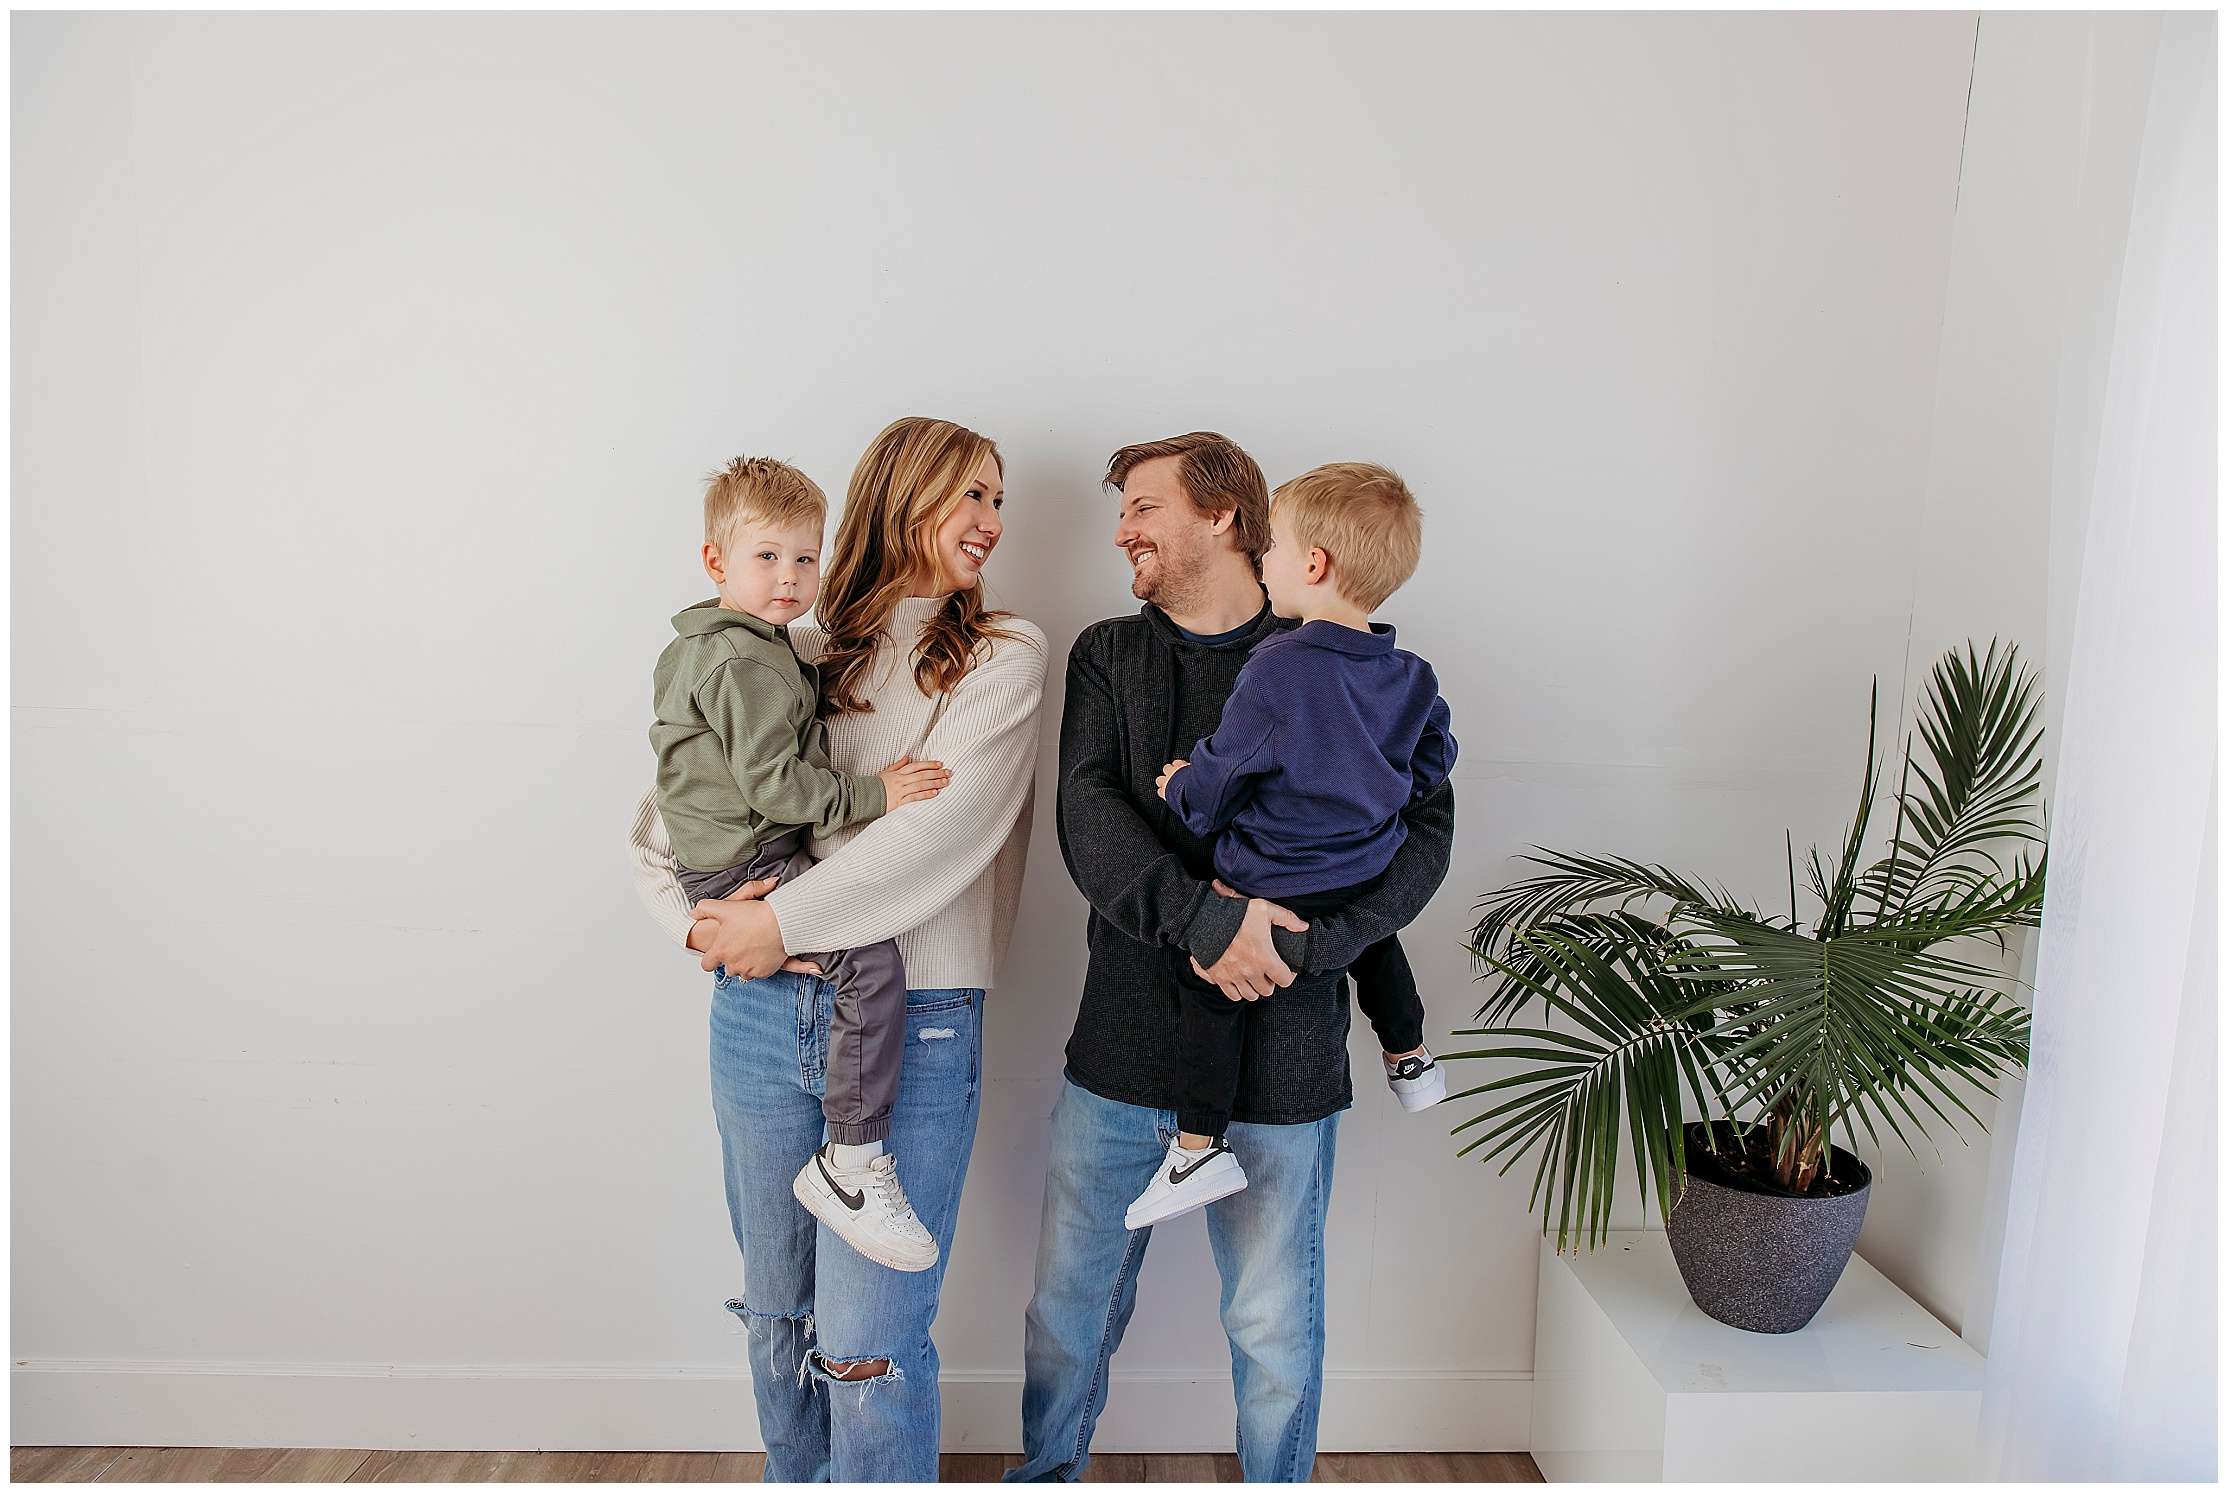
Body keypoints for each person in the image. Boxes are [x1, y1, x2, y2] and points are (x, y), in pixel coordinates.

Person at [1009, 433, 1454, 1483]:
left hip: (1285, 1068)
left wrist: (1307, 944)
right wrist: (1212, 925)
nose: (1120, 529)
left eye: (1140, 506)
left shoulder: (1353, 666)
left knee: (1274, 1339)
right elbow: (1089, 817)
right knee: (1066, 1321)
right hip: (1117, 1054)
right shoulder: (1108, 653)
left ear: (1221, 517)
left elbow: (1423, 831)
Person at [629, 417, 1046, 1482]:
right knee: (777, 1313)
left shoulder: (1004, 656)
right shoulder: (792, 647)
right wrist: (696, 923)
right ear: (902, 496)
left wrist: (774, 924)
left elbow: (931, 840)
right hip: (763, 1011)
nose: (991, 521)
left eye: (998, 499)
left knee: (867, 1341)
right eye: (971, 495)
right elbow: (666, 812)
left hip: (921, 1012)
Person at [1128, 461, 1457, 1229]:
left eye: (1271, 546)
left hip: (1269, 875)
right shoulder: (1411, 674)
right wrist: (1373, 802)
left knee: (1207, 988)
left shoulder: (1278, 666)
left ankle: (1198, 1146)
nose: (1263, 559)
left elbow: (1224, 773)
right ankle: (1409, 1056)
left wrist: (1179, 785)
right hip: (1362, 870)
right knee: (1376, 947)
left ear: (1315, 565)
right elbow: (1434, 763)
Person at [649, 454, 953, 1271]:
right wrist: (876, 794)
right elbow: (778, 786)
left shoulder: (762, 644)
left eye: (805, 557)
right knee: (869, 960)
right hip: (746, 861)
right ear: (716, 562)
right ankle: (852, 1161)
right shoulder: (742, 661)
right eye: (766, 557)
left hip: (739, 857)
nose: (789, 578)